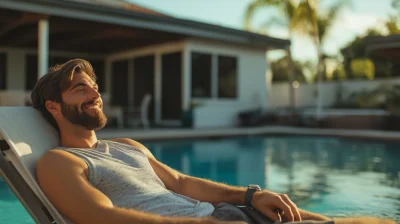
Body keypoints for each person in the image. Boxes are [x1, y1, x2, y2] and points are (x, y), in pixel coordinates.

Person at [32, 59, 395, 224]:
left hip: (232, 213)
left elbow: (182, 183)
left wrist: (251, 194)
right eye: (81, 89)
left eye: (94, 86)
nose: (95, 93)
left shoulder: (128, 145)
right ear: (55, 106)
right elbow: (103, 218)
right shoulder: (61, 162)